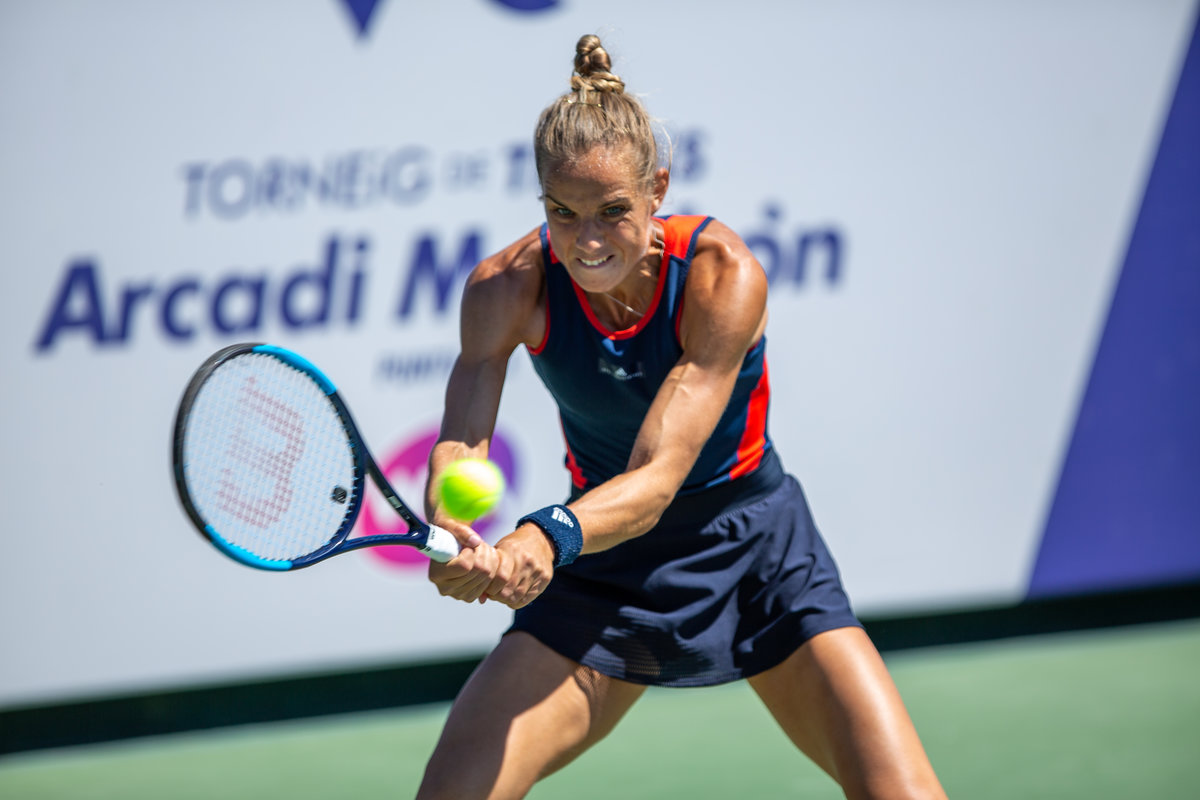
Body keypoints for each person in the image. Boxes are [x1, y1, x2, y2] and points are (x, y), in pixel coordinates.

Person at [417, 33, 946, 800]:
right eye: (562, 213)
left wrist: (545, 534)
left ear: (658, 188)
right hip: (603, 569)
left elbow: (658, 478)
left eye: (613, 211)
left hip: (754, 548)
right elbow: (463, 441)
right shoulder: (507, 287)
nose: (588, 240)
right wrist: (450, 526)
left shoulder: (721, 276)